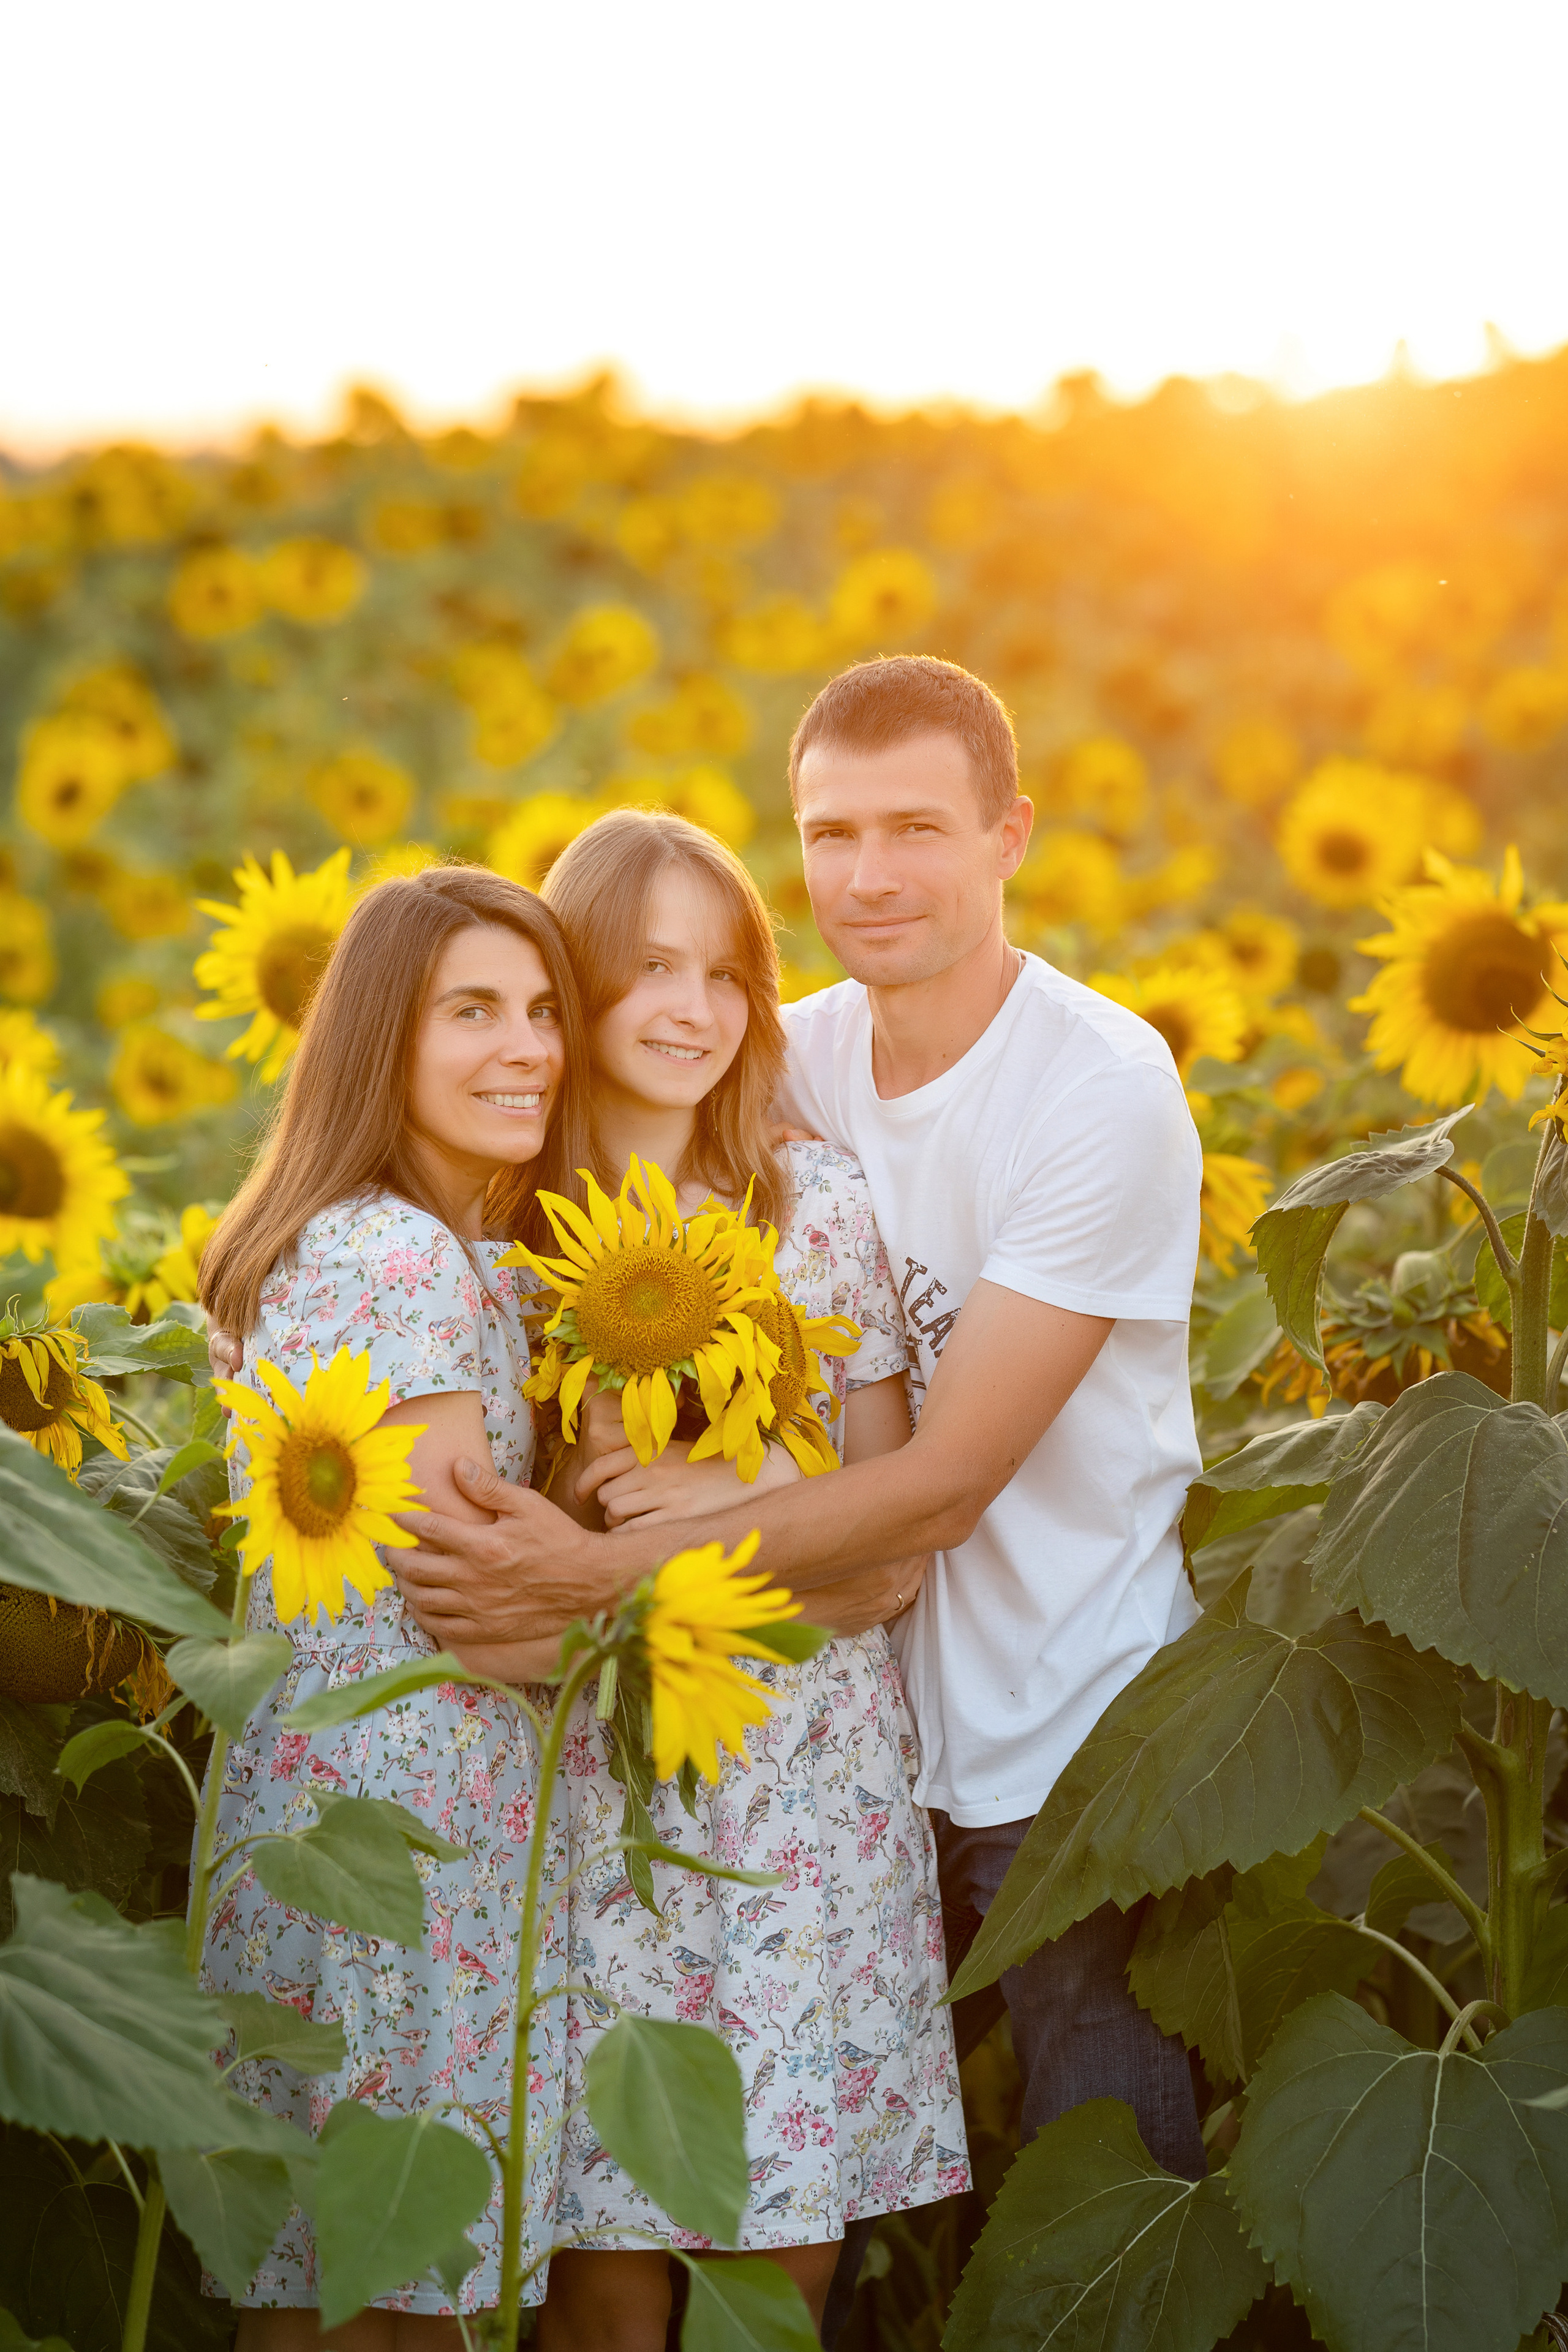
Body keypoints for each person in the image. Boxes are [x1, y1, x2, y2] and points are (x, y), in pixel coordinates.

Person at [389, 658, 1210, 2267]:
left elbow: (940, 1485)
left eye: (916, 828)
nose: (869, 874)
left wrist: (604, 1567)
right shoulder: (786, 1059)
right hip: (832, 1732)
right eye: (833, 833)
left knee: (1100, 2209)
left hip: (1059, 1723)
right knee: (795, 2181)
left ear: (1009, 835)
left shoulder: (1095, 1089)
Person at [526, 810, 967, 2351]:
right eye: (649, 968)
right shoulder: (507, 1229)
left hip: (797, 1787)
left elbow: (888, 1544)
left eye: (725, 974)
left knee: (784, 2242)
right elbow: (512, 1550)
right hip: (591, 1789)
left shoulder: (809, 1205)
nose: (693, 1009)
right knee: (603, 2258)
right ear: (577, 981)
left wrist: (736, 1496)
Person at [197, 865, 592, 2346]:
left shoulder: (387, 1237)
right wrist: (677, 1623)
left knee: (321, 2274)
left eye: (543, 1010)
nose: (526, 1048)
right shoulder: (398, 1253)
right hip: (406, 1811)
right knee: (403, 2276)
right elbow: (471, 1586)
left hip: (325, 1790)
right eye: (471, 1012)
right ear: (381, 1037)